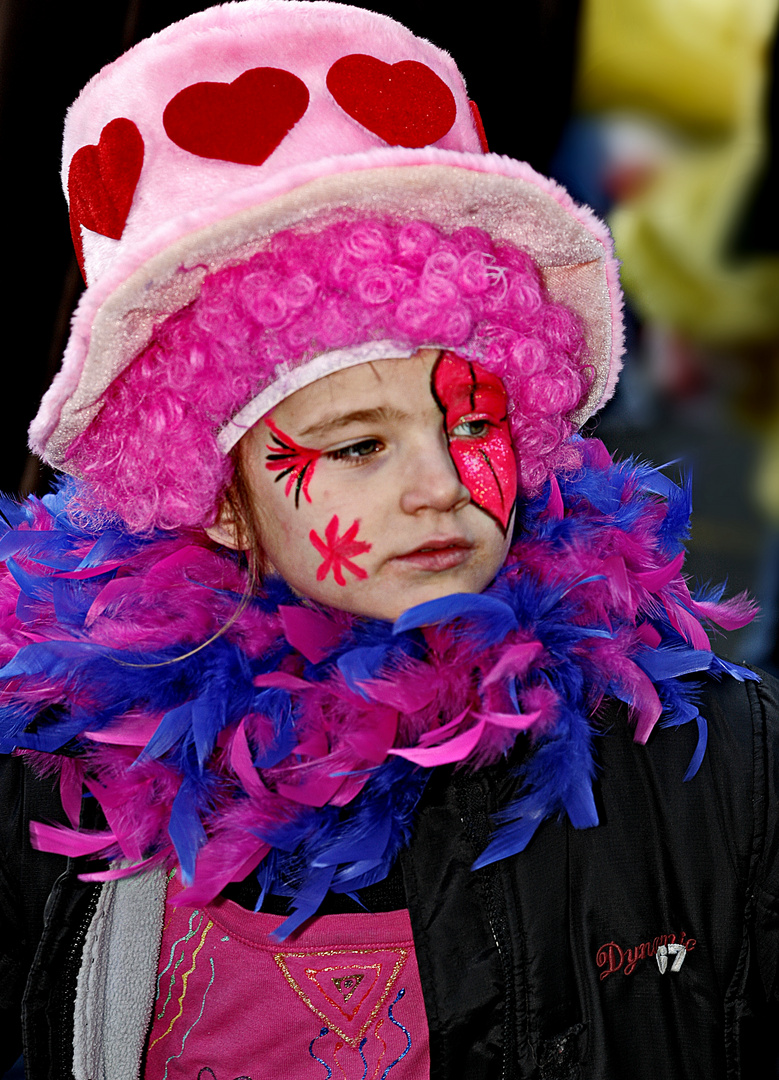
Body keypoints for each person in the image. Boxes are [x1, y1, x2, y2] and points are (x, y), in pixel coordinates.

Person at [1, 3, 777, 1078]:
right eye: (357, 446)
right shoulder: (57, 768)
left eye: (472, 421)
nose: (440, 485)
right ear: (214, 497)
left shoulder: (709, 764)